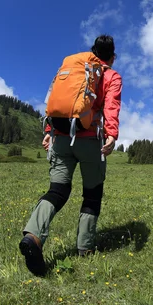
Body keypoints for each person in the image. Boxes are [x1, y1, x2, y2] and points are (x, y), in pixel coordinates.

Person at [19, 34, 122, 276]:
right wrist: (112, 134)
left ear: (92, 51)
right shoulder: (110, 76)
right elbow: (111, 106)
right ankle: (85, 249)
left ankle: (33, 236)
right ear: (112, 57)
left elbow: (53, 99)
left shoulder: (73, 67)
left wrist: (48, 131)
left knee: (57, 190)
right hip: (90, 141)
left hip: (61, 137)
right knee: (92, 194)